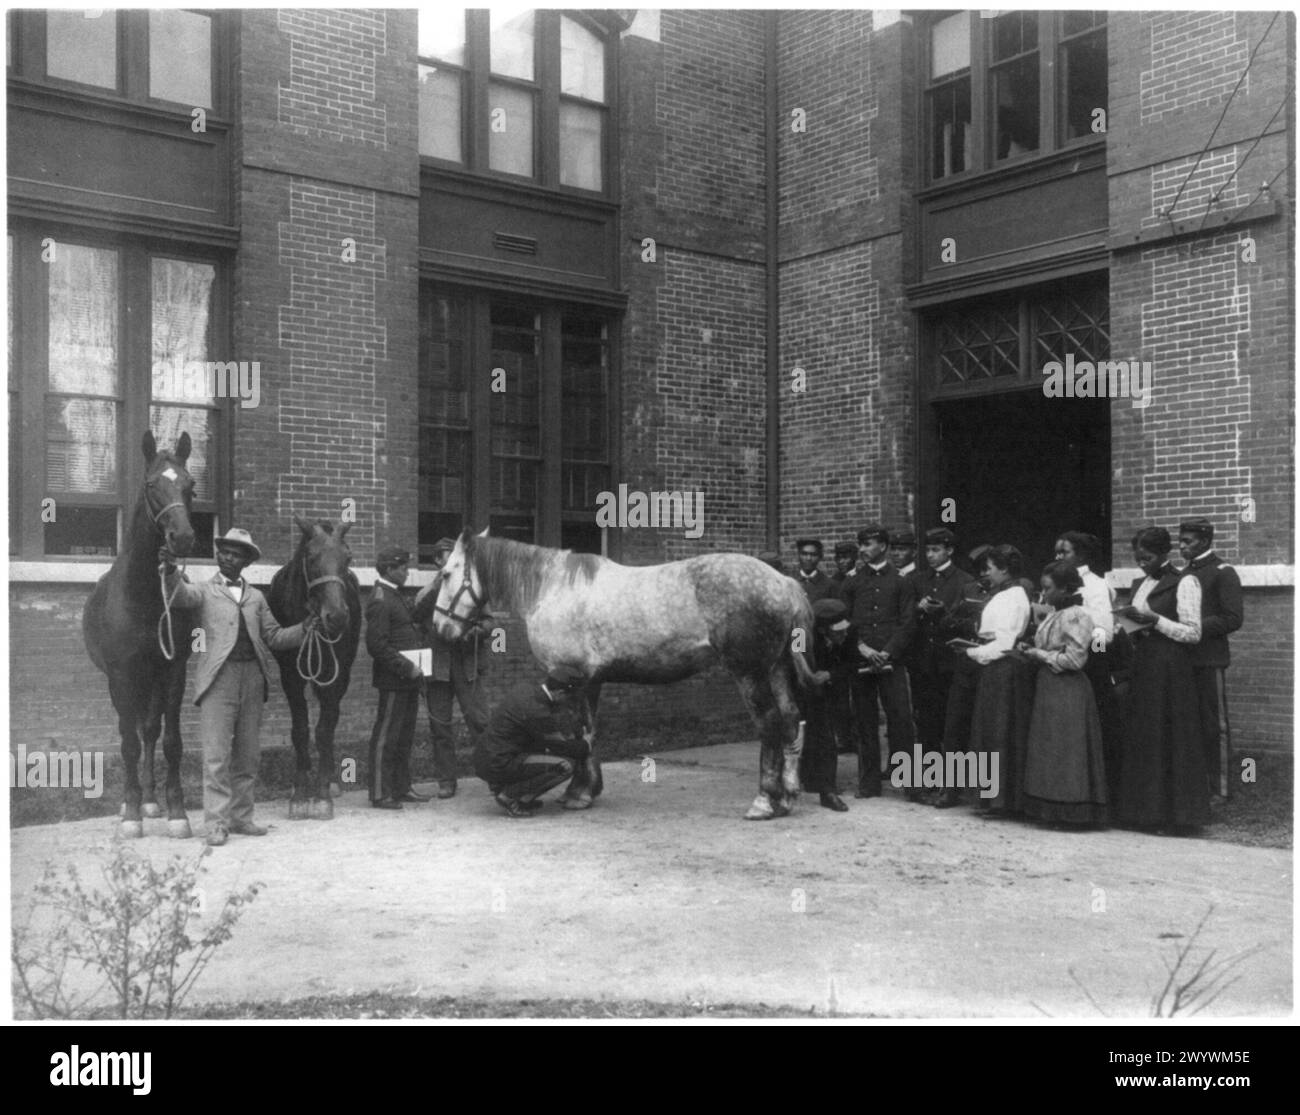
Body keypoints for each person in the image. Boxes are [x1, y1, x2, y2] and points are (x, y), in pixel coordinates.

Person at [162, 528, 311, 846]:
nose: (227, 557)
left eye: (235, 553)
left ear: (246, 561)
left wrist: (306, 628)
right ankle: (216, 823)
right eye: (224, 551)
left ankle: (241, 818)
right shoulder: (203, 590)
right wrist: (171, 571)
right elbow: (180, 597)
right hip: (219, 680)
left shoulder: (257, 597)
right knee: (216, 755)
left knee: (248, 754)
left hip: (253, 678)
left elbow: (274, 637)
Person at [1114, 527, 1208, 832]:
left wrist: (1155, 620)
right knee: (1143, 736)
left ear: (1165, 553)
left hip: (1170, 669)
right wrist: (1125, 623)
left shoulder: (1185, 582)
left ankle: (1172, 815)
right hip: (1143, 665)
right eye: (1138, 558)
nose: (1142, 564)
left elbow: (1193, 633)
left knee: (1168, 738)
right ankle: (1140, 812)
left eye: (1148, 557)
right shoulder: (1139, 583)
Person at [1020, 562, 1107, 825]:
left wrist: (1039, 654)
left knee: (1066, 749)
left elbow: (1076, 659)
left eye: (1048, 589)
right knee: (1050, 747)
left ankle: (1070, 809)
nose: (1043, 595)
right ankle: (1050, 808)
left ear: (1065, 588)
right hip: (1050, 686)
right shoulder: (1055, 614)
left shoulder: (1076, 616)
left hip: (1068, 690)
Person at [842, 525, 917, 799]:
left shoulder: (901, 581)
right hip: (860, 664)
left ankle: (911, 785)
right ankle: (869, 784)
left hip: (891, 663)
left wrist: (887, 652)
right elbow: (842, 622)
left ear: (883, 547)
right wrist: (860, 647)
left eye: (869, 544)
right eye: (861, 544)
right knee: (865, 723)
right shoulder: (851, 582)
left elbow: (908, 622)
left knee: (902, 721)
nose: (862, 550)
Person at [413, 537, 490, 800]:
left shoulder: (470, 588)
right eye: (444, 558)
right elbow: (416, 614)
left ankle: (493, 775)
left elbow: (490, 623)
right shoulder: (430, 589)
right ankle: (446, 780)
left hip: (466, 664)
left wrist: (477, 631)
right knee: (440, 727)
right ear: (436, 561)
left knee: (479, 722)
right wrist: (438, 584)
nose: (449, 563)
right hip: (438, 668)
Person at [908, 528, 977, 808]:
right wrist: (918, 607)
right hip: (924, 662)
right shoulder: (917, 580)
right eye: (928, 550)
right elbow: (905, 615)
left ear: (949, 551)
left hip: (951, 664)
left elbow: (970, 622)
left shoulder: (965, 581)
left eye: (936, 550)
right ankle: (928, 780)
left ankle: (953, 786)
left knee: (953, 723)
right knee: (926, 723)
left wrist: (942, 613)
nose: (931, 555)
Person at [1054, 530, 1122, 801]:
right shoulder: (1056, 581)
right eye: (1056, 552)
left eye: (1065, 552)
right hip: (1061, 661)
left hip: (1091, 664)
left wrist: (1093, 660)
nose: (1058, 557)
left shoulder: (1094, 585)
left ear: (1080, 555)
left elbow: (1104, 631)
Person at [1178, 517, 1243, 801]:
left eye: (1187, 541)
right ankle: (1196, 783)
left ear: (1205, 541)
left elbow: (1233, 618)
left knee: (1215, 724)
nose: (1181, 546)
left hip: (1209, 658)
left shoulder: (1223, 572)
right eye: (1180, 541)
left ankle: (1221, 788)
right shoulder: (1182, 573)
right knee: (1189, 723)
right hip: (1183, 658)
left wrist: (1194, 628)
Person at [965, 545, 1033, 816]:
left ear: (1004, 569)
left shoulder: (1013, 597)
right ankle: (993, 798)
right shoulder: (1004, 594)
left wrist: (973, 652)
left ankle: (1002, 800)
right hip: (995, 668)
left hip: (1003, 668)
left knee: (999, 733)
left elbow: (1005, 641)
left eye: (989, 569)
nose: (986, 574)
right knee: (992, 732)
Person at [474, 666, 592, 818]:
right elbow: (560, 747)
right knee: (565, 766)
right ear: (560, 693)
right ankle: (509, 796)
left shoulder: (525, 689)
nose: (568, 703)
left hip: (486, 757)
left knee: (540, 753)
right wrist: (586, 744)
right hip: (498, 763)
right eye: (569, 698)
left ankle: (516, 794)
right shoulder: (539, 712)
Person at [366, 545, 428, 810]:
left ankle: (402, 788)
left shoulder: (395, 595)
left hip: (408, 679)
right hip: (394, 680)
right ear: (389, 569)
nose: (406, 572)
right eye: (402, 568)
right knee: (386, 736)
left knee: (404, 735)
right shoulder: (381, 598)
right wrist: (406, 667)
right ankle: (380, 793)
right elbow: (376, 645)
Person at [798, 598, 853, 811]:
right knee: (800, 739)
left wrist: (830, 674)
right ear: (822, 630)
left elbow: (852, 663)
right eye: (837, 631)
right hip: (801, 691)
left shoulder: (848, 632)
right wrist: (808, 677)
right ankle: (803, 781)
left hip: (829, 692)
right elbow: (794, 660)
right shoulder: (799, 633)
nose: (844, 634)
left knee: (827, 740)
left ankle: (827, 791)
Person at [792, 538, 836, 604]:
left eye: (813, 555)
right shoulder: (790, 582)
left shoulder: (829, 585)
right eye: (804, 554)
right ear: (798, 556)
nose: (808, 558)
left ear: (820, 557)